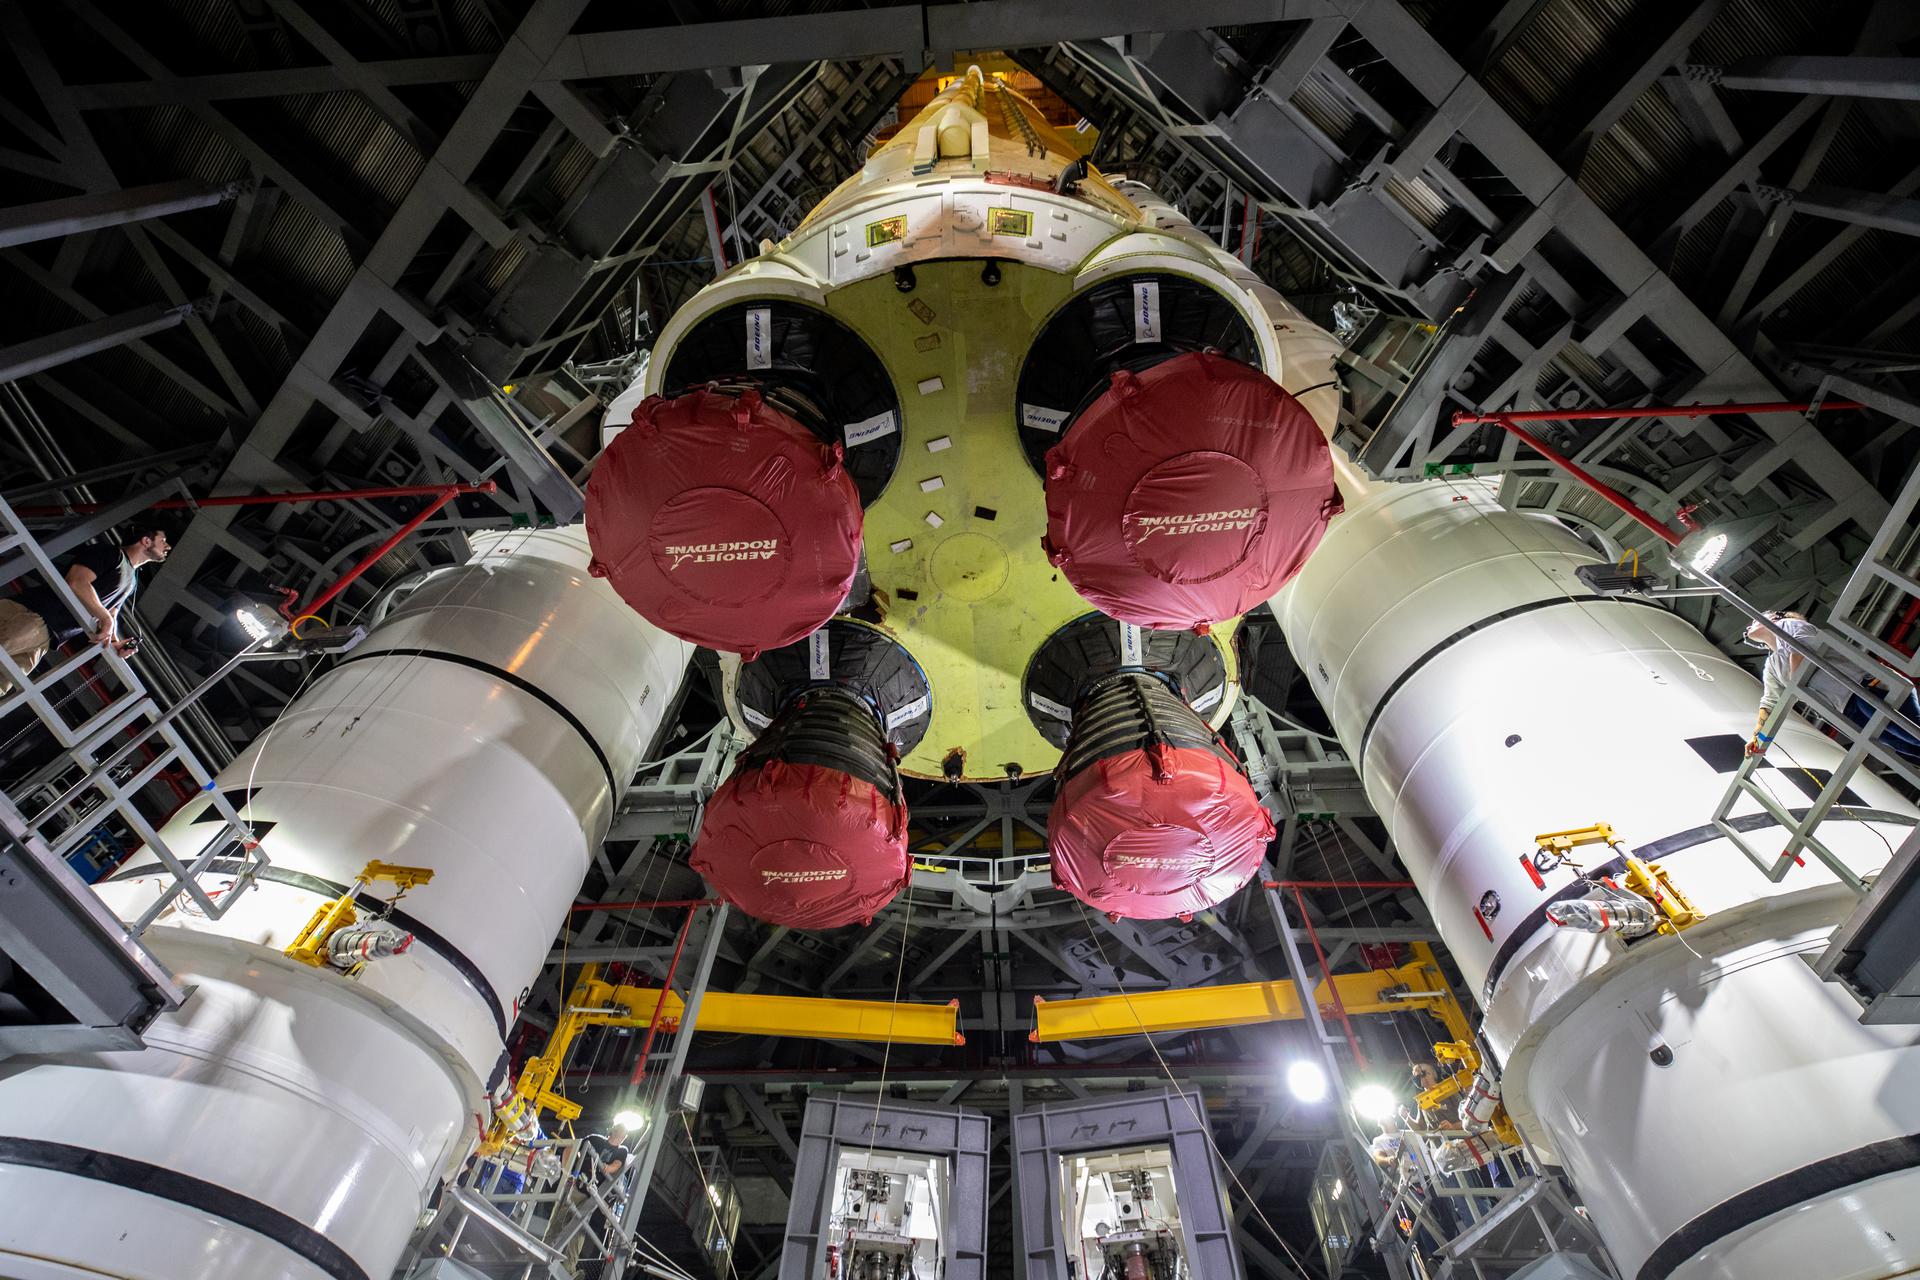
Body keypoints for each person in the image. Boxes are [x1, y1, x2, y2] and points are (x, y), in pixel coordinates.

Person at [0, 520, 172, 694]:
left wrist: (113, 641)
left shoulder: (131, 581)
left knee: (2, 684)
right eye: (163, 540)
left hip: (48, 635)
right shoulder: (110, 553)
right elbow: (77, 581)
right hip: (33, 614)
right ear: (146, 541)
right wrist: (105, 619)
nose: (168, 546)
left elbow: (111, 611)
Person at [1746, 610, 1920, 760]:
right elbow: (1770, 702)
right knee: (1908, 747)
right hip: (1847, 709)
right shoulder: (1771, 665)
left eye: (1754, 620)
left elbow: (1800, 649)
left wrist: (1795, 681)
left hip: (1863, 687)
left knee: (1913, 735)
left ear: (1775, 617)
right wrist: (1757, 738)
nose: (1749, 626)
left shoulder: (1787, 624)